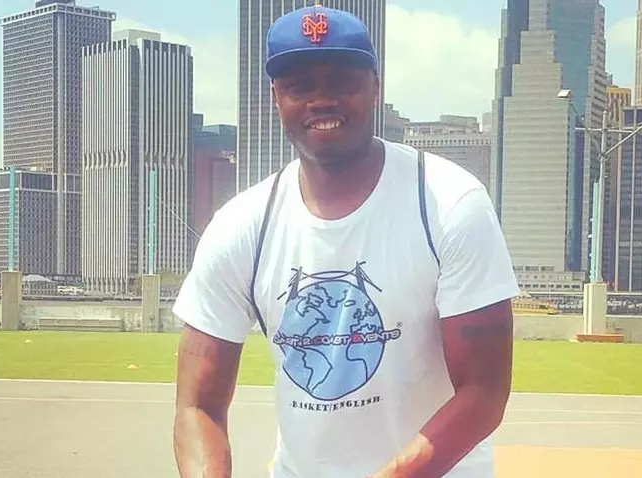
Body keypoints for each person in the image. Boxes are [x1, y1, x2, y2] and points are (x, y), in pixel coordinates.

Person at [171, 4, 520, 477]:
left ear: (375, 88)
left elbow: (484, 392)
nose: (322, 100)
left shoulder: (448, 203)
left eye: (342, 82)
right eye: (300, 86)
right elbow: (197, 405)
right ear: (276, 97)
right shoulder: (241, 225)